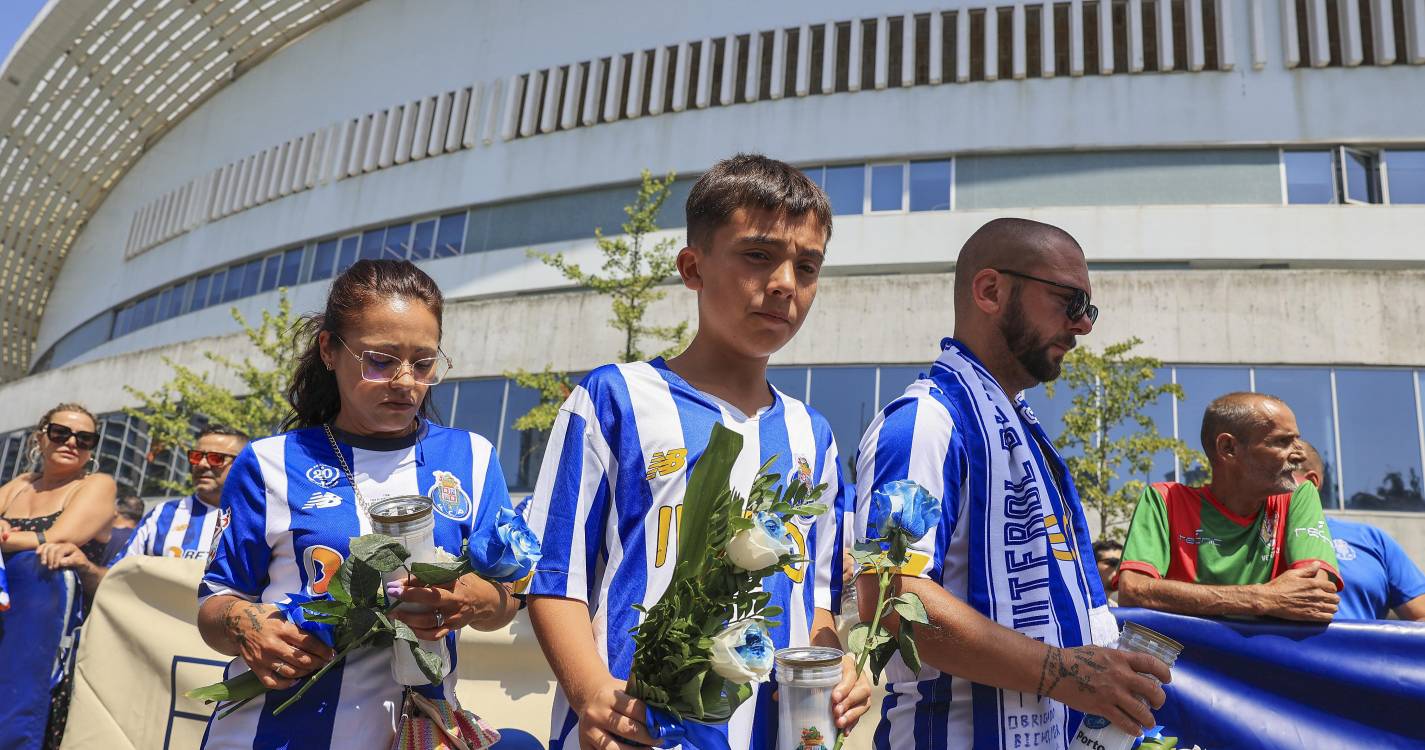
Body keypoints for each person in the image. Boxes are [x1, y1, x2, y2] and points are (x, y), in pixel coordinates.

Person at [524, 154, 870, 750]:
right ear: (693, 266)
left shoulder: (814, 434)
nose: (785, 282)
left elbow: (812, 604)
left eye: (807, 266)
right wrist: (590, 692)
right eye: (758, 255)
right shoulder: (614, 398)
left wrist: (835, 668)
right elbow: (556, 575)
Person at [854, 218, 1167, 749]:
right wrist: (1060, 672)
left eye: (1089, 308)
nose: (1084, 326)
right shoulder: (926, 421)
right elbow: (889, 596)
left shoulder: (1020, 432)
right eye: (1070, 301)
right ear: (991, 291)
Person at [195, 260, 522, 749]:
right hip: (269, 733)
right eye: (381, 360)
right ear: (329, 349)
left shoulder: (472, 457)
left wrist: (477, 599)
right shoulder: (268, 463)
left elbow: (506, 599)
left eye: (424, 362)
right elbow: (215, 601)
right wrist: (246, 626)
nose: (406, 381)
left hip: (416, 735)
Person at [1115, 393, 1341, 622]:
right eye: (1282, 441)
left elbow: (1315, 596)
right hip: (1180, 658)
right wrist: (1260, 598)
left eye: (1296, 440)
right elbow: (1133, 590)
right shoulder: (1164, 500)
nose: (1300, 454)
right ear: (1228, 447)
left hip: (1262, 658)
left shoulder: (1299, 493)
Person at [0, 403, 118, 750]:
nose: (71, 443)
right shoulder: (20, 484)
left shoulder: (96, 484)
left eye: (84, 439)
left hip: (56, 634)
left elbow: (57, 537)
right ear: (40, 438)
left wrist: (5, 535)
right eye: (60, 433)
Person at [42, 425, 252, 597]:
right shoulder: (162, 515)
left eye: (216, 458)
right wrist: (85, 566)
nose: (202, 464)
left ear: (242, 464)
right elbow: (116, 580)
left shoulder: (258, 519)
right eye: (196, 456)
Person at [1294, 441, 1425, 621]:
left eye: (1275, 475)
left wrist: (1380, 647)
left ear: (1310, 482)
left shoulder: (1372, 540)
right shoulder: (1250, 536)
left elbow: (1421, 616)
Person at [1094, 540, 1123, 604]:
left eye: (1123, 563)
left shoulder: (1115, 606)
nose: (1119, 568)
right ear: (1093, 565)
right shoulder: (1077, 606)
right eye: (1113, 562)